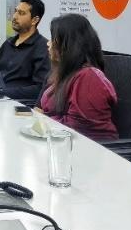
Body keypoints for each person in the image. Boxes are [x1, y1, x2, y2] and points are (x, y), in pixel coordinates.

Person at [37, 13, 118, 141]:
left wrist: (42, 120)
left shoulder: (89, 78)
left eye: (53, 39)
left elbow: (79, 128)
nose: (48, 44)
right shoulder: (66, 74)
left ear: (68, 46)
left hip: (89, 150)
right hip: (60, 143)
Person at [0, 0, 50, 101]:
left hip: (20, 105)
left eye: (21, 13)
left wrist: (2, 92)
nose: (14, 17)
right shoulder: (7, 44)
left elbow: (40, 89)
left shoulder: (43, 48)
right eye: (15, 11)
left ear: (35, 20)